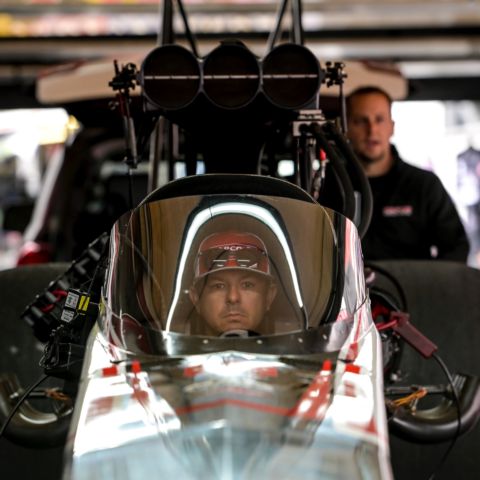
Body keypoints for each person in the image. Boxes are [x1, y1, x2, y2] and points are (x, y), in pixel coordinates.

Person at [346, 85, 469, 261]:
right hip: (348, 288)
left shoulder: (424, 185)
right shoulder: (331, 186)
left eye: (379, 119)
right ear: (346, 127)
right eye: (361, 121)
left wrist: (429, 284)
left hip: (410, 287)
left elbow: (456, 248)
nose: (371, 130)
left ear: (392, 127)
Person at [189, 231, 277, 336]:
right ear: (196, 298)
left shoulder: (295, 351)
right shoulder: (169, 351)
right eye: (218, 286)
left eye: (247, 285)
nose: (233, 298)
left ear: (269, 296)